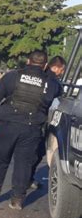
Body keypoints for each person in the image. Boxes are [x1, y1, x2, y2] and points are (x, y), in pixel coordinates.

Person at [0, 50, 60, 210]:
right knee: (23, 165)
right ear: (45, 65)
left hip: (6, 125)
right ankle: (17, 200)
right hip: (31, 129)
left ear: (28, 61)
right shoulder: (51, 83)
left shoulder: (13, 76)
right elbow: (56, 103)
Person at [28, 56, 65, 189]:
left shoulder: (44, 77)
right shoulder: (52, 80)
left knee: (37, 152)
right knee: (36, 152)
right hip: (41, 119)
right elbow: (52, 100)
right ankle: (27, 179)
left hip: (36, 118)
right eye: (62, 69)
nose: (62, 73)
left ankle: (27, 178)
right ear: (56, 67)